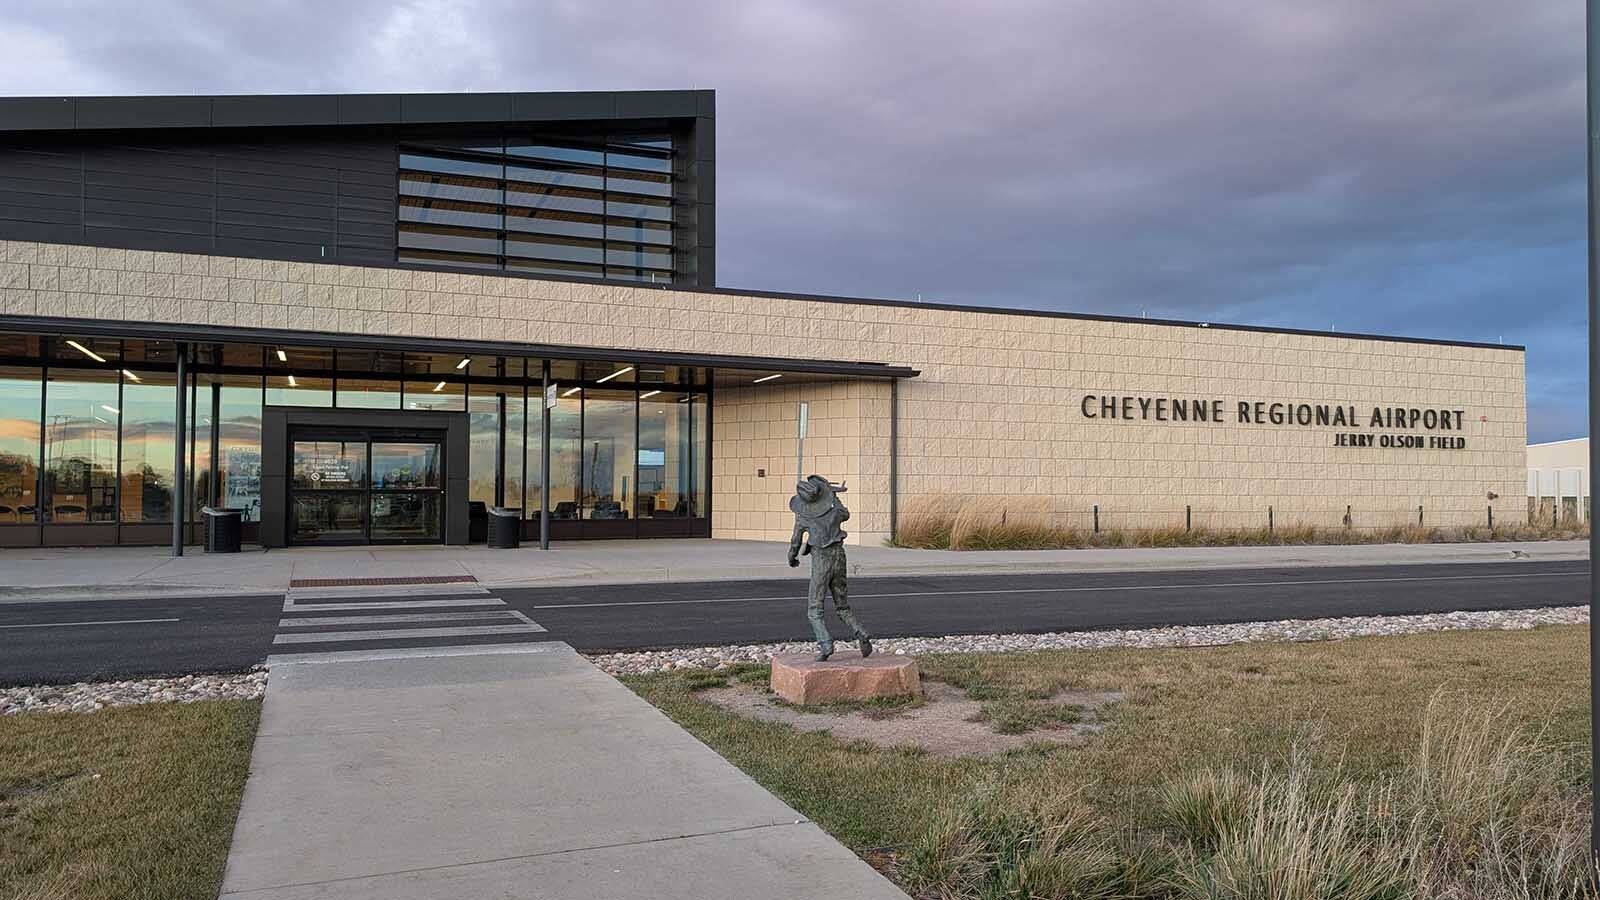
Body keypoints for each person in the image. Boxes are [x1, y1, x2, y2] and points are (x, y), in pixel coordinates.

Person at [787, 474, 872, 661]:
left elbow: (795, 541)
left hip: (821, 561)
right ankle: (861, 633)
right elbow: (846, 513)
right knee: (842, 606)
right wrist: (832, 495)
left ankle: (825, 644)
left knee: (814, 609)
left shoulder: (803, 518)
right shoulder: (835, 512)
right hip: (839, 556)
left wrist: (792, 557)